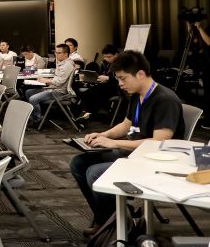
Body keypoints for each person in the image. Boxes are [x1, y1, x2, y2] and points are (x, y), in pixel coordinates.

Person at [70, 50, 185, 237]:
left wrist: (114, 144)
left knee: (95, 172)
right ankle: (108, 219)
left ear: (140, 74)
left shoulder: (164, 99)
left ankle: (117, 225)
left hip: (156, 159)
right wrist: (103, 135)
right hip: (136, 152)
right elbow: (126, 125)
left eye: (123, 79)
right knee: (78, 163)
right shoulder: (137, 95)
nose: (120, 84)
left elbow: (159, 142)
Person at [24, 43, 75, 126]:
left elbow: (59, 82)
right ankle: (37, 115)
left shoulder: (67, 65)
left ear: (66, 54)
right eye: (55, 52)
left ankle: (37, 120)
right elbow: (58, 78)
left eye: (59, 53)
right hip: (53, 88)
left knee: (33, 99)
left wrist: (46, 80)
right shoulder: (62, 62)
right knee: (28, 92)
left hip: (59, 92)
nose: (56, 55)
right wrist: (48, 80)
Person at [80, 44, 119, 117]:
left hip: (117, 88)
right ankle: (89, 112)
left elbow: (119, 79)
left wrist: (108, 78)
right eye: (104, 56)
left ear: (116, 55)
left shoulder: (121, 64)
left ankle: (94, 113)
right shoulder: (106, 63)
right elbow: (103, 74)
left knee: (98, 91)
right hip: (107, 85)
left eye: (109, 57)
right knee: (88, 92)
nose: (106, 59)